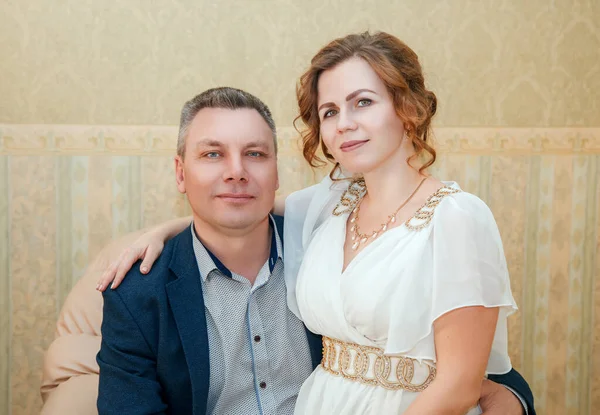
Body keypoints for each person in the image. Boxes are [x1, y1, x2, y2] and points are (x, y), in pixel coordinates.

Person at [97, 33, 535, 414]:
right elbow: (238, 203)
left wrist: (513, 397)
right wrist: (163, 231)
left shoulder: (450, 216)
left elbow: (460, 378)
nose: (345, 124)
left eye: (362, 102)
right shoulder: (332, 208)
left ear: (407, 108)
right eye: (329, 112)